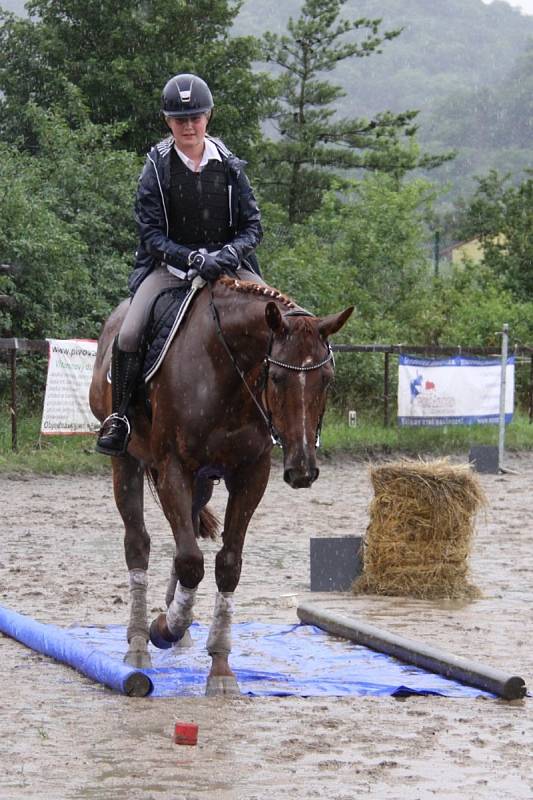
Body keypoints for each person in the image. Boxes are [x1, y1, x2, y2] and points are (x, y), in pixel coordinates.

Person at [95, 73, 263, 457]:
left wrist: (227, 255)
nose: (188, 125)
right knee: (130, 332)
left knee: (275, 321)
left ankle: (271, 419)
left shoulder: (231, 166)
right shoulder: (156, 168)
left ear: (209, 117)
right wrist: (189, 257)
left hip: (229, 266)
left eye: (195, 117)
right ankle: (120, 417)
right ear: (167, 121)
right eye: (179, 119)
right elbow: (150, 233)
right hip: (166, 270)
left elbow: (253, 226)